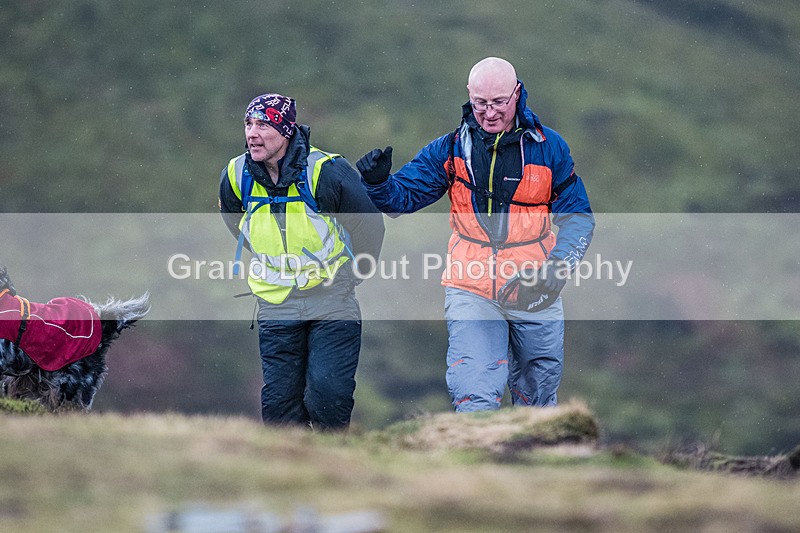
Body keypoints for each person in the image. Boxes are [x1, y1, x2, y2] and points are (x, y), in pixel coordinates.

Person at [356, 57, 594, 412]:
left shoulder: (550, 147)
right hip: (470, 285)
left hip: (536, 285)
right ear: (469, 95)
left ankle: (536, 447)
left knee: (539, 400)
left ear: (517, 94)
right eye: (481, 103)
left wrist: (557, 269)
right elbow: (400, 199)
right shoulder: (451, 148)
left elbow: (578, 218)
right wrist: (377, 183)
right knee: (474, 389)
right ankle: (478, 446)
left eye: (498, 102)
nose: (490, 112)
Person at [219, 93, 384, 430]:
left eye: (263, 125)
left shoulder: (327, 171)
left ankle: (333, 457)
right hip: (275, 301)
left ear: (286, 130)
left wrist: (355, 274)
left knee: (328, 395)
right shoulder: (236, 175)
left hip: (332, 297)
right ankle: (290, 462)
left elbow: (369, 225)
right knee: (280, 406)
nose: (252, 133)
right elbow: (236, 224)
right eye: (248, 124)